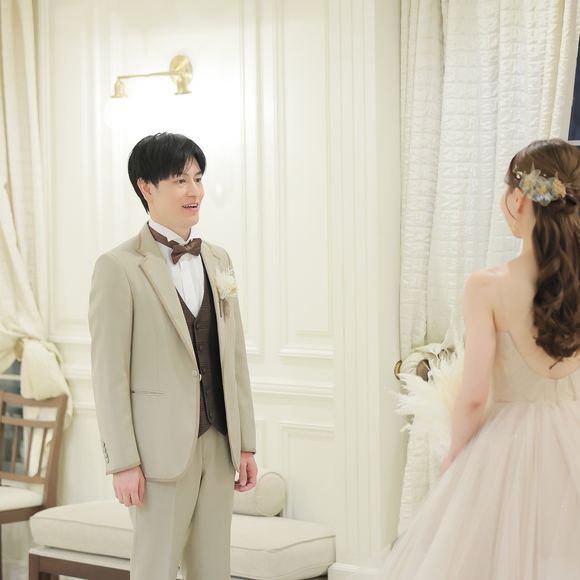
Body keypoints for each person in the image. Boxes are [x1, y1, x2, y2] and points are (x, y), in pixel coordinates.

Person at [354, 138, 580, 579]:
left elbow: (475, 395)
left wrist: (456, 457)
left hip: (508, 446)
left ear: (519, 199)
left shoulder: (488, 284)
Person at [88, 132, 258, 580]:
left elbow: (235, 359)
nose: (193, 190)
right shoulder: (118, 267)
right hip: (156, 455)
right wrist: (122, 461)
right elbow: (108, 375)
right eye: (180, 180)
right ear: (146, 187)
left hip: (219, 442)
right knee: (155, 569)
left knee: (213, 570)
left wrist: (245, 443)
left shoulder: (218, 259)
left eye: (198, 178)